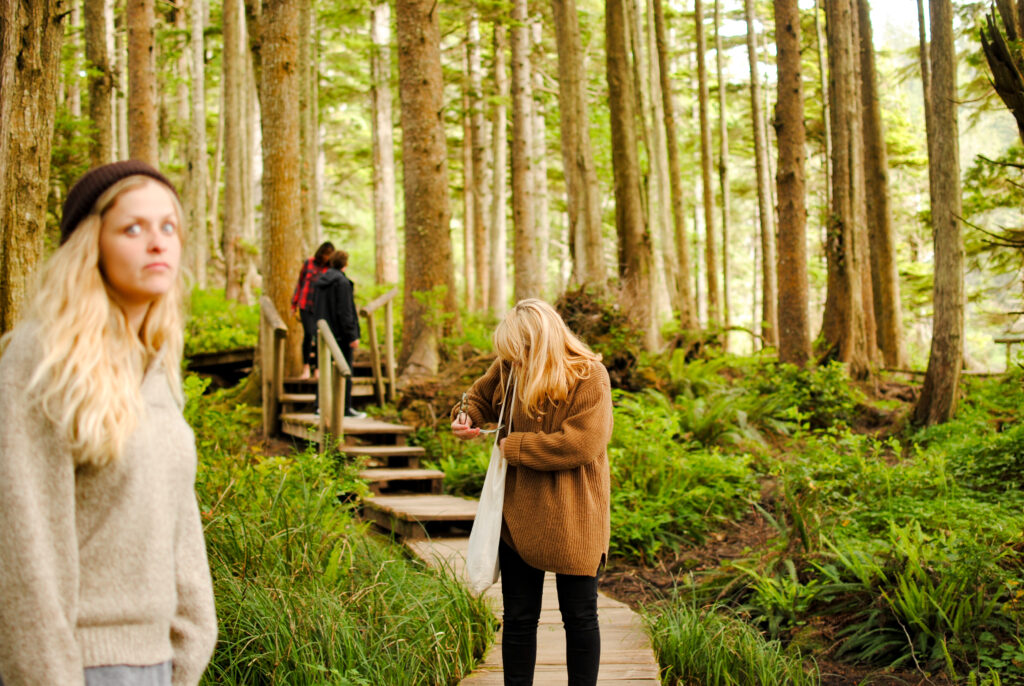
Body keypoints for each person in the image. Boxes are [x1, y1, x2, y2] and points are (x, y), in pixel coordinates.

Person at [0, 161, 218, 685]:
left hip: (158, 665)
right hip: (76, 664)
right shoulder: (43, 359)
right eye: (132, 228)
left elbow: (177, 519)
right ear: (90, 245)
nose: (157, 243)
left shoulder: (156, 369)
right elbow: (23, 541)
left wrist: (191, 641)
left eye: (168, 226)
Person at [451, 298, 613, 686]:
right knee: (519, 618)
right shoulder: (509, 367)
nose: (514, 360)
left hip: (575, 513)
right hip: (518, 512)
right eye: (509, 353)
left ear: (542, 342)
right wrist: (466, 417)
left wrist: (517, 447)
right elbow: (477, 398)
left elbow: (583, 443)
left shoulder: (590, 376)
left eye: (521, 351)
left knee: (580, 615)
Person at [313, 249, 364, 418]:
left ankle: (320, 406)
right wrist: (352, 335)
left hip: (324, 333)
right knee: (345, 369)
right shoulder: (342, 283)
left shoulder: (321, 282)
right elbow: (345, 311)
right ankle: (345, 407)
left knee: (325, 369)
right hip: (340, 335)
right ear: (345, 264)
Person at [291, 241, 335, 379]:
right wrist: (294, 304)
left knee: (319, 336)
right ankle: (305, 368)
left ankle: (317, 369)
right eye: (326, 254)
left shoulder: (330, 269)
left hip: (320, 308)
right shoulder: (309, 263)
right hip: (305, 304)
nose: (327, 258)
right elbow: (300, 283)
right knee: (309, 334)